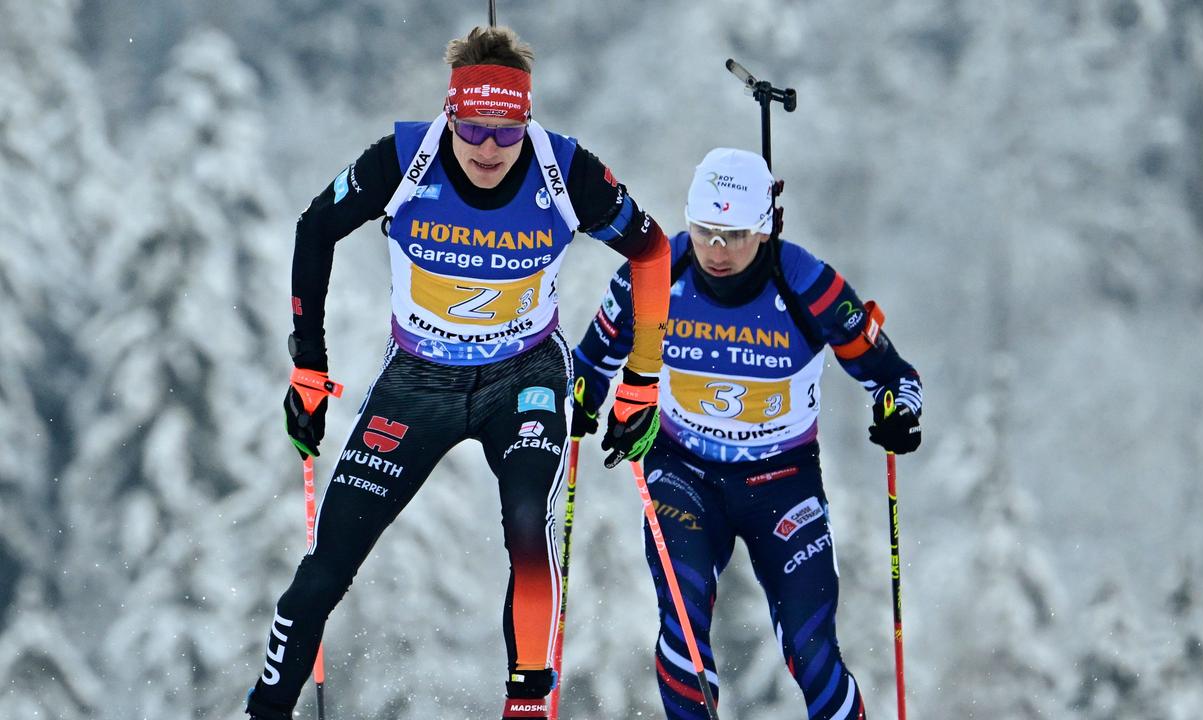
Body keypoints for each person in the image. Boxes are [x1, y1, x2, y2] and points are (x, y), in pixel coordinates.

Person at [245, 26, 671, 720]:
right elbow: (314, 227)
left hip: (524, 375)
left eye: (507, 132)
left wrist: (642, 382)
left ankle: (526, 704)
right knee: (326, 567)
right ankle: (265, 708)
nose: (488, 149)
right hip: (418, 382)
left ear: (526, 121)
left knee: (527, 524)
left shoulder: (566, 171)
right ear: (451, 114)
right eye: (472, 128)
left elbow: (652, 253)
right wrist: (308, 370)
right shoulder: (404, 160)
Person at [571, 148, 923, 719]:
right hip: (683, 473)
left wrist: (898, 411)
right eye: (705, 230)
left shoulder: (808, 282)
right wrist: (583, 403)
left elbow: (894, 377)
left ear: (764, 227)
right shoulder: (657, 271)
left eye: (733, 234)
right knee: (682, 627)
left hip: (781, 484)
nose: (716, 249)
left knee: (811, 652)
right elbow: (589, 363)